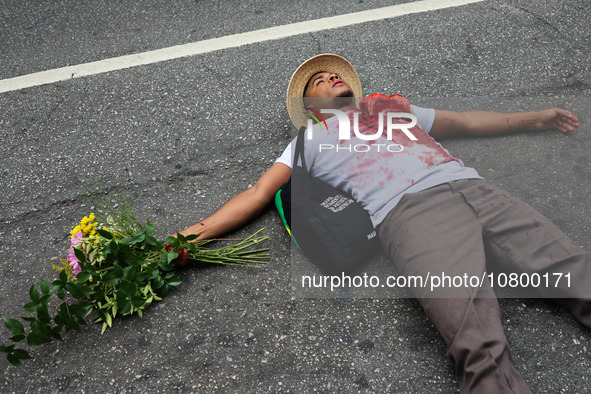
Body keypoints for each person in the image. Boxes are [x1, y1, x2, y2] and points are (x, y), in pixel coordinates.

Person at [177, 54, 589, 393]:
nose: (331, 76)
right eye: (319, 80)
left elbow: (465, 121)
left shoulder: (392, 109)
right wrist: (185, 239)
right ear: (310, 106)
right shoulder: (308, 142)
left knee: (574, 272)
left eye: (334, 73)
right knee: (477, 346)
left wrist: (536, 118)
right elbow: (256, 195)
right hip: (411, 216)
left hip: (476, 189)